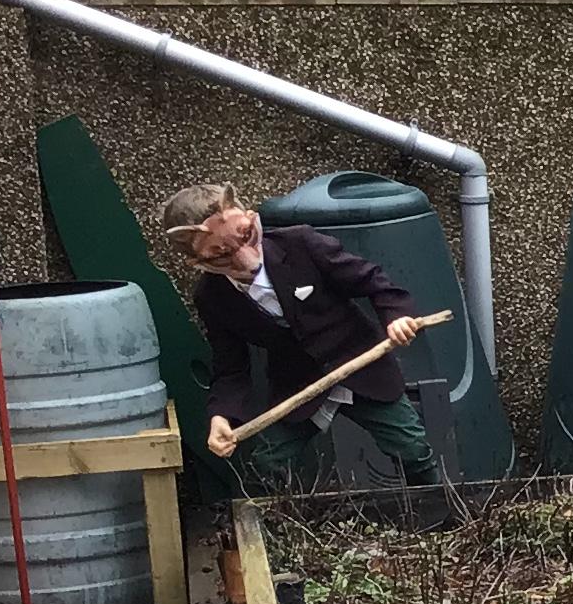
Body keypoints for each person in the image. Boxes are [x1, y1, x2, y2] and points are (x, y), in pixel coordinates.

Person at [159, 180, 440, 496]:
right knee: (267, 465)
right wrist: (221, 415)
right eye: (221, 255)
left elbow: (372, 280)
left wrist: (397, 317)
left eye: (246, 236)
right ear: (198, 262)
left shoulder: (300, 244)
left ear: (249, 217)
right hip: (297, 385)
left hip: (362, 368)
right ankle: (273, 521)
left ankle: (438, 510)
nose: (246, 259)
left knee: (412, 448)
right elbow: (231, 367)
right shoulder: (212, 297)